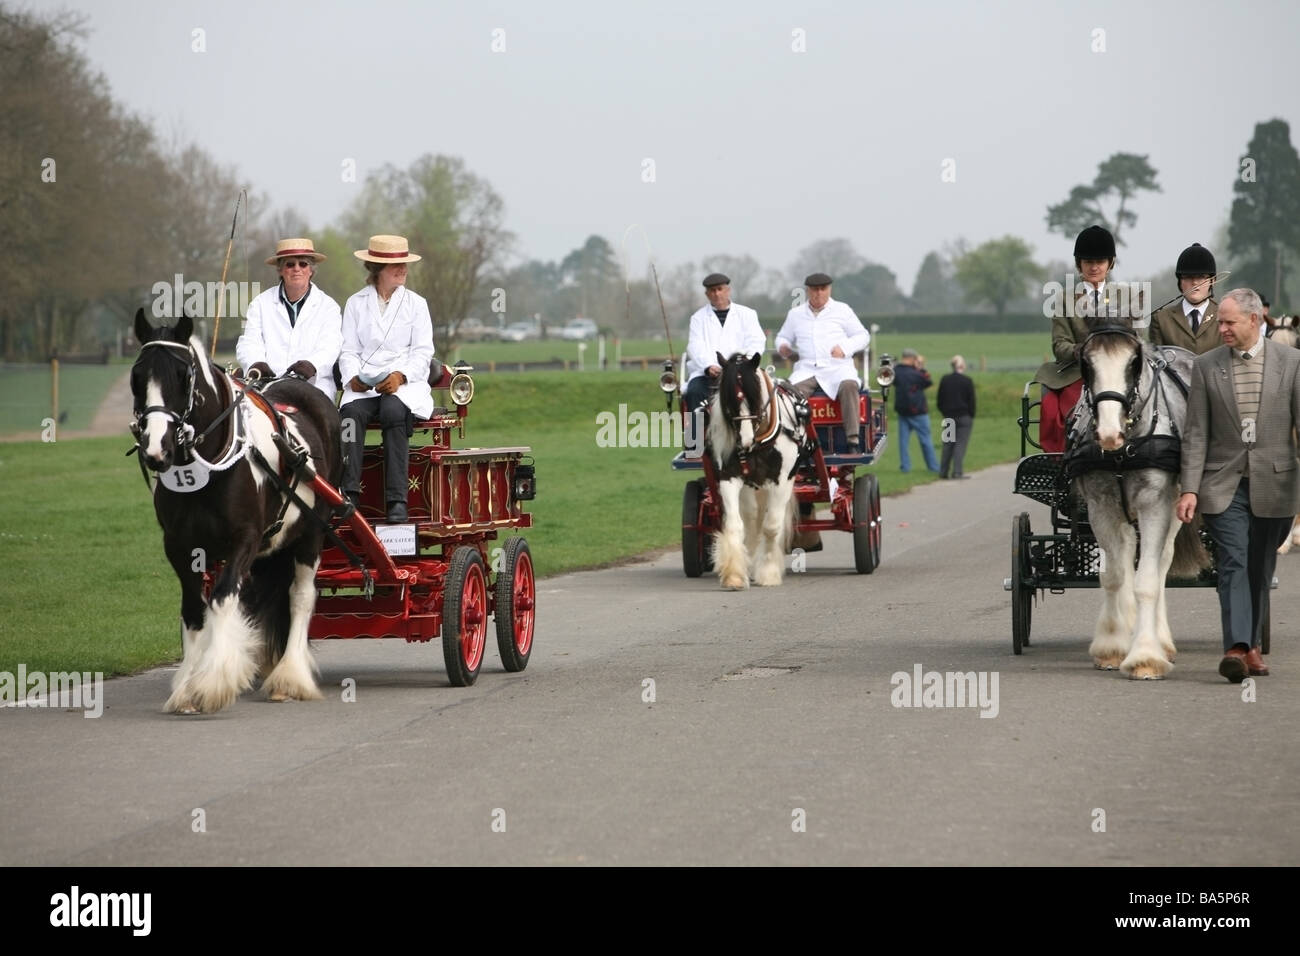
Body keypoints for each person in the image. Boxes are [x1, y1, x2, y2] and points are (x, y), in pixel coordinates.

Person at [1176, 288, 1300, 683]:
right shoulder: (1208, 366)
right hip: (1223, 483)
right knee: (1233, 560)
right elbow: (1196, 433)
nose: (1222, 328)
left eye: (1229, 322)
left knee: (1260, 567)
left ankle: (1252, 647)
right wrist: (1190, 488)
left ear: (1254, 321)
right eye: (1221, 321)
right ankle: (1237, 647)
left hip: (1276, 483)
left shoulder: (1292, 362)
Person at [339, 235, 435, 523]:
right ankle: (349, 495)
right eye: (396, 266)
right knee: (349, 416)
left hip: (403, 385)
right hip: (365, 387)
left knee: (394, 410)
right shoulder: (355, 304)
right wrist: (353, 377)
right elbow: (348, 349)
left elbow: (423, 351)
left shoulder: (417, 304)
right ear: (377, 268)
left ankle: (397, 500)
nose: (403, 270)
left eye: (404, 264)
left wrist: (400, 376)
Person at [1036, 224, 1116, 453]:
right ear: (1079, 264)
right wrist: (1079, 350)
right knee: (1060, 407)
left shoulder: (1125, 297)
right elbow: (1059, 344)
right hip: (1078, 373)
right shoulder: (1063, 299)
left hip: (1116, 371)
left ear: (1109, 264)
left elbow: (1136, 340)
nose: (1094, 267)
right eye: (1088, 262)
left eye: (1099, 262)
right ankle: (1066, 459)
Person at [236, 238, 342, 401]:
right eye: (290, 264)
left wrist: (311, 364)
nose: (296, 269)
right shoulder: (260, 303)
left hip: (314, 386)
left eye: (303, 264)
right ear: (280, 270)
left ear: (311, 270)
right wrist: (256, 363)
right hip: (268, 386)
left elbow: (331, 346)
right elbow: (249, 341)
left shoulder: (328, 306)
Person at [775, 273, 870, 450]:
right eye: (814, 290)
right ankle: (796, 440)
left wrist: (844, 347)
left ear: (829, 289)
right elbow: (782, 336)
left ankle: (853, 439)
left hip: (838, 368)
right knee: (787, 395)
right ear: (807, 291)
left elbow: (863, 336)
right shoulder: (796, 314)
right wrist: (783, 346)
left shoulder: (842, 310)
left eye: (823, 289)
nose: (818, 293)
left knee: (849, 385)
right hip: (807, 369)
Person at [683, 273, 766, 413]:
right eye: (712, 291)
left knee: (762, 392)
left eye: (720, 289)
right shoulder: (698, 318)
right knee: (694, 392)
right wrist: (708, 366)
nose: (716, 294)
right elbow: (695, 346)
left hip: (742, 372)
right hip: (709, 375)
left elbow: (756, 341)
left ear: (728, 290)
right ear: (707, 294)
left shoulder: (747, 314)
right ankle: (695, 434)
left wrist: (744, 364)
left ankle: (758, 431)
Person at [1149, 243, 1219, 354]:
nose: (1195, 282)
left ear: (1212, 280)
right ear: (1180, 282)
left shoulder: (1224, 316)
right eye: (1188, 277)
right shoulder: (1161, 320)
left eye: (1201, 277)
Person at [892, 349, 940, 473]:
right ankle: (933, 467)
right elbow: (928, 381)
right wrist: (920, 367)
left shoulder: (895, 372)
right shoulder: (916, 373)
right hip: (919, 412)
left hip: (903, 412)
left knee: (903, 443)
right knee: (926, 440)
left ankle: (905, 467)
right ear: (913, 359)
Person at [937, 354, 975, 479]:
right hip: (963, 417)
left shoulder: (945, 379)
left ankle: (943, 472)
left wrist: (944, 412)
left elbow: (939, 400)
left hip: (948, 416)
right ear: (962, 366)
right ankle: (957, 471)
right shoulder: (967, 381)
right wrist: (971, 415)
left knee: (947, 444)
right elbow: (972, 401)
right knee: (960, 444)